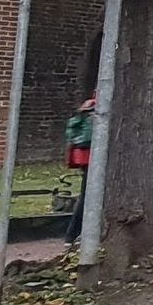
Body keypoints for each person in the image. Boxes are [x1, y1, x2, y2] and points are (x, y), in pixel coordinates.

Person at [62, 97, 95, 244]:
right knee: (87, 196)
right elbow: (88, 136)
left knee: (86, 196)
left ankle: (74, 234)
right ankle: (73, 234)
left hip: (87, 159)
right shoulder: (94, 110)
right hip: (92, 159)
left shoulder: (87, 108)